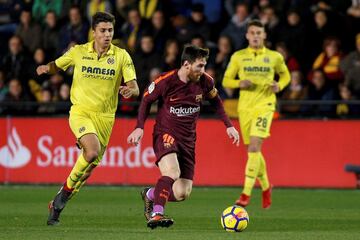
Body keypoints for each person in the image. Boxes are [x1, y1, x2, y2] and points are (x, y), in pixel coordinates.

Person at [36, 11, 139, 226]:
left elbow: (134, 87)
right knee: (91, 151)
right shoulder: (79, 52)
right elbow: (58, 64)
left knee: (87, 168)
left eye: (110, 30)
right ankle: (62, 197)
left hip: (105, 118)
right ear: (94, 32)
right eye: (102, 31)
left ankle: (59, 201)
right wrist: (47, 68)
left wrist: (131, 91)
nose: (107, 34)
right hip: (81, 111)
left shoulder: (121, 56)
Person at [127, 45, 240, 229]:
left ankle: (149, 194)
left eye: (204, 66)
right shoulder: (166, 81)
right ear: (187, 64)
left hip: (188, 140)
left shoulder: (205, 81)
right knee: (172, 172)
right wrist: (139, 127)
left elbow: (216, 102)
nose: (203, 70)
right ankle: (156, 213)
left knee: (181, 193)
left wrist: (229, 126)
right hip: (166, 134)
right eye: (200, 66)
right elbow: (146, 100)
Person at [222, 20, 290, 209]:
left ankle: (246, 193)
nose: (256, 36)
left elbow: (285, 75)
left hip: (265, 105)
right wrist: (239, 83)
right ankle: (267, 187)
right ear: (247, 36)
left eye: (259, 32)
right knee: (254, 152)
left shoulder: (274, 57)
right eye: (252, 32)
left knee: (254, 147)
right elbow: (226, 80)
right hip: (245, 108)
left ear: (265, 35)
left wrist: (279, 85)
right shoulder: (239, 57)